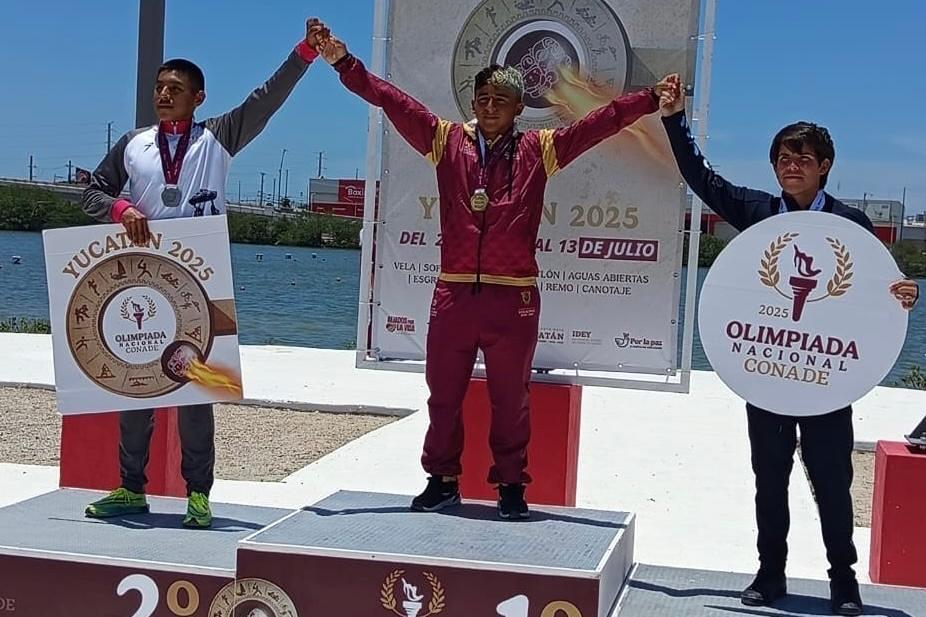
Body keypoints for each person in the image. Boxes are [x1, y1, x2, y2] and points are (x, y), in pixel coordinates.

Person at [311, 24, 671, 519]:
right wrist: (343, 62)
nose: (489, 106)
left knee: (510, 400)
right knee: (443, 397)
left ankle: (511, 485)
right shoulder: (445, 141)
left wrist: (648, 98)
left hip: (513, 299)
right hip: (454, 295)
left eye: (500, 99)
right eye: (482, 98)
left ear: (519, 106)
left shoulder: (540, 149)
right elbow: (392, 101)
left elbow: (600, 122)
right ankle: (442, 479)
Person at [659, 74, 919, 615]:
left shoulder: (852, 224)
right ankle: (770, 573)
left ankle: (844, 582)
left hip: (826, 381)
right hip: (769, 375)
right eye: (782, 157)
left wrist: (904, 292)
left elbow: (878, 293)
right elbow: (700, 177)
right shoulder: (758, 213)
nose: (790, 165)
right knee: (769, 481)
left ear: (825, 165)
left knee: (833, 483)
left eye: (802, 157)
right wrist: (674, 119)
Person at [80, 19, 324, 528]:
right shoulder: (133, 143)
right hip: (144, 278)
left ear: (198, 98)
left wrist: (304, 52)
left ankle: (198, 493)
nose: (163, 95)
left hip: (200, 282)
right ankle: (130, 488)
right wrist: (122, 208)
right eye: (159, 88)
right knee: (135, 384)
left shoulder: (219, 137)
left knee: (197, 388)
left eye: (175, 89)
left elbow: (266, 99)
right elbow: (92, 193)